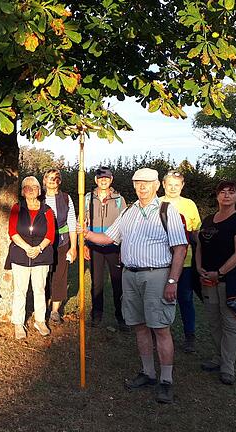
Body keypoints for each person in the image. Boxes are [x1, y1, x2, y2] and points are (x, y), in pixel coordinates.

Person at [83, 167, 187, 404]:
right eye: (138, 183)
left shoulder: (166, 211)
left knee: (160, 328)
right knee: (139, 327)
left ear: (156, 185)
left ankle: (166, 380)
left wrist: (172, 280)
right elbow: (109, 237)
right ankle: (149, 373)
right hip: (130, 275)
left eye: (147, 183)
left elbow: (180, 248)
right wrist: (86, 233)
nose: (142, 187)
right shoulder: (128, 211)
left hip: (157, 276)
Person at [196, 180, 236, 385]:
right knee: (213, 320)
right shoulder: (209, 219)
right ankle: (219, 357)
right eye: (222, 192)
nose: (226, 195)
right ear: (217, 196)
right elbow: (200, 246)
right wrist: (199, 267)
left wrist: (218, 273)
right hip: (207, 279)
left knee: (230, 323)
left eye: (231, 192)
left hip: (230, 281)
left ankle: (228, 366)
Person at [7, 176, 56, 339]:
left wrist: (39, 248)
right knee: (20, 290)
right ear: (22, 191)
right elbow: (12, 231)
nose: (30, 189)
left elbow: (50, 234)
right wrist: (27, 247)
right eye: (26, 187)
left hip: (41, 254)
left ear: (39, 191)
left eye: (34, 187)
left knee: (40, 289)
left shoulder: (47, 210)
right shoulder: (16, 208)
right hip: (21, 252)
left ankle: (40, 321)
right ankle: (18, 323)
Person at [160, 170, 202, 352]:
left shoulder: (189, 204)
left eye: (177, 185)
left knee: (185, 298)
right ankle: (160, 332)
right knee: (160, 298)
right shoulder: (157, 203)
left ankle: (189, 335)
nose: (173, 188)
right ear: (163, 185)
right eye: (170, 184)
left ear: (182, 186)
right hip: (161, 260)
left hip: (185, 261)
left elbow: (195, 232)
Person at [84, 166, 127, 329]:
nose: (103, 181)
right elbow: (83, 223)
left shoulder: (119, 199)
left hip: (114, 246)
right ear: (96, 180)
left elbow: (125, 224)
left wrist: (124, 248)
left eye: (106, 178)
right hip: (94, 245)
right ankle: (96, 314)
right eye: (100, 178)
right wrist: (84, 245)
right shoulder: (88, 198)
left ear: (111, 180)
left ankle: (121, 316)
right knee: (97, 282)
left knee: (118, 282)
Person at [42, 169, 77, 325]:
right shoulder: (39, 198)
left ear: (60, 181)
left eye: (56, 178)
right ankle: (41, 307)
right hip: (42, 243)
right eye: (49, 178)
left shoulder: (66, 198)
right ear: (44, 180)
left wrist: (73, 246)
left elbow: (71, 223)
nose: (52, 180)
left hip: (62, 242)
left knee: (59, 275)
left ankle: (55, 311)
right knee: (42, 276)